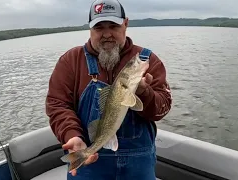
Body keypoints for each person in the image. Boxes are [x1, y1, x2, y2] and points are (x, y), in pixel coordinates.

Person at [45, 0, 172, 179]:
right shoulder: (70, 61)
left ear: (125, 24)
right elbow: (57, 105)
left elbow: (162, 108)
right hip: (91, 164)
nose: (106, 34)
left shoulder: (147, 60)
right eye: (99, 28)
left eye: (113, 26)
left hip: (138, 165)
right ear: (89, 29)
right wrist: (71, 135)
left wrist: (145, 93)